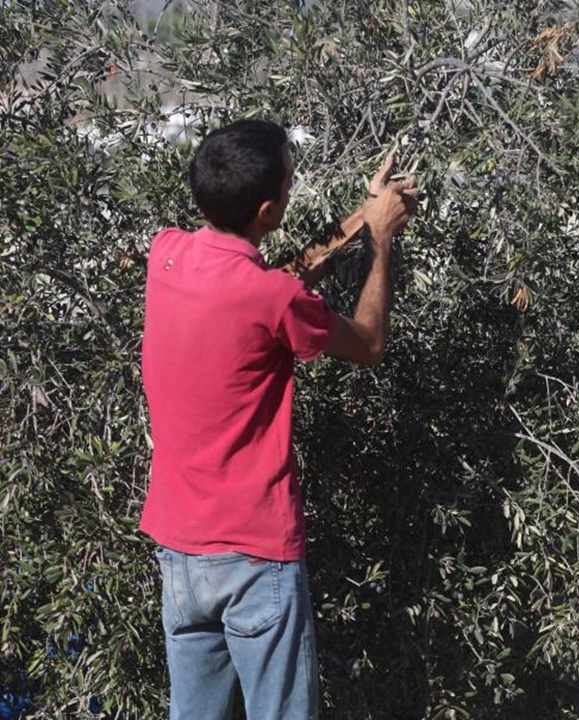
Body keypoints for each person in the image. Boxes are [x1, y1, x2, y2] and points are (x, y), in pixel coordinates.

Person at [139, 118, 417, 719]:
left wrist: (361, 221)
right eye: (289, 188)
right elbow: (368, 343)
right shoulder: (270, 297)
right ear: (268, 210)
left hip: (181, 551)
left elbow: (267, 283)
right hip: (254, 554)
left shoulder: (167, 254)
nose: (292, 193)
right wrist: (383, 243)